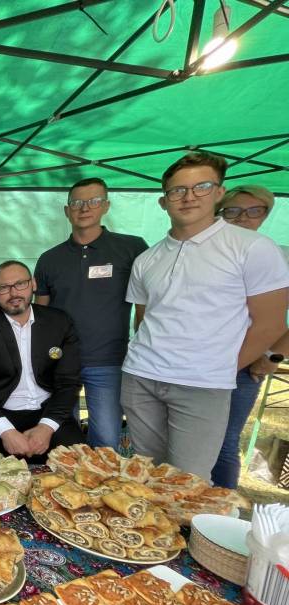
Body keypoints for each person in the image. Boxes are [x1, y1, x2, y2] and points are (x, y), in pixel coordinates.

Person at [122, 153, 289, 480]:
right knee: (146, 476)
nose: (188, 197)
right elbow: (142, 320)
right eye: (177, 191)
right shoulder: (147, 258)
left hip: (201, 385)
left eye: (201, 187)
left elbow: (270, 324)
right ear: (163, 201)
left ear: (218, 193)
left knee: (188, 482)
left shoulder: (251, 248)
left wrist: (221, 367)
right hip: (141, 377)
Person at [34, 177, 148, 450]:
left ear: (106, 206)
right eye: (77, 203)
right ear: (67, 210)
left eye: (93, 201)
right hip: (61, 361)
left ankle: (102, 478)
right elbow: (41, 314)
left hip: (109, 360)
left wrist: (142, 350)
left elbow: (145, 306)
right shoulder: (50, 259)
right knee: (62, 438)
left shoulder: (132, 249)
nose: (84, 208)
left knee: (106, 439)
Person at [0, 261, 83, 461]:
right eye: (3, 288)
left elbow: (68, 382)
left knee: (79, 461)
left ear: (33, 284)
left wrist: (46, 427)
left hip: (47, 409)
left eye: (20, 284)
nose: (13, 293)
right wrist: (6, 431)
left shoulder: (59, 322)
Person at [211, 185, 280, 487]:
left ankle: (222, 508)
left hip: (241, 367)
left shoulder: (272, 255)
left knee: (224, 442)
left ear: (265, 214)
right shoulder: (209, 254)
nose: (242, 218)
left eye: (253, 211)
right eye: (233, 211)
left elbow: (276, 321)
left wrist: (272, 357)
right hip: (198, 363)